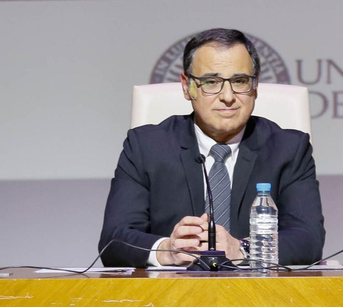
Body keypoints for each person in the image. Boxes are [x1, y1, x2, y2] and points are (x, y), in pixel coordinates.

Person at [99, 28, 325, 267]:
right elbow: (113, 241)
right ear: (187, 87)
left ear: (255, 86)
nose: (227, 96)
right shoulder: (146, 147)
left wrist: (242, 249)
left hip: (258, 289)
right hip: (172, 289)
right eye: (211, 82)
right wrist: (166, 250)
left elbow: (309, 240)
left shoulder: (289, 149)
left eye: (239, 81)